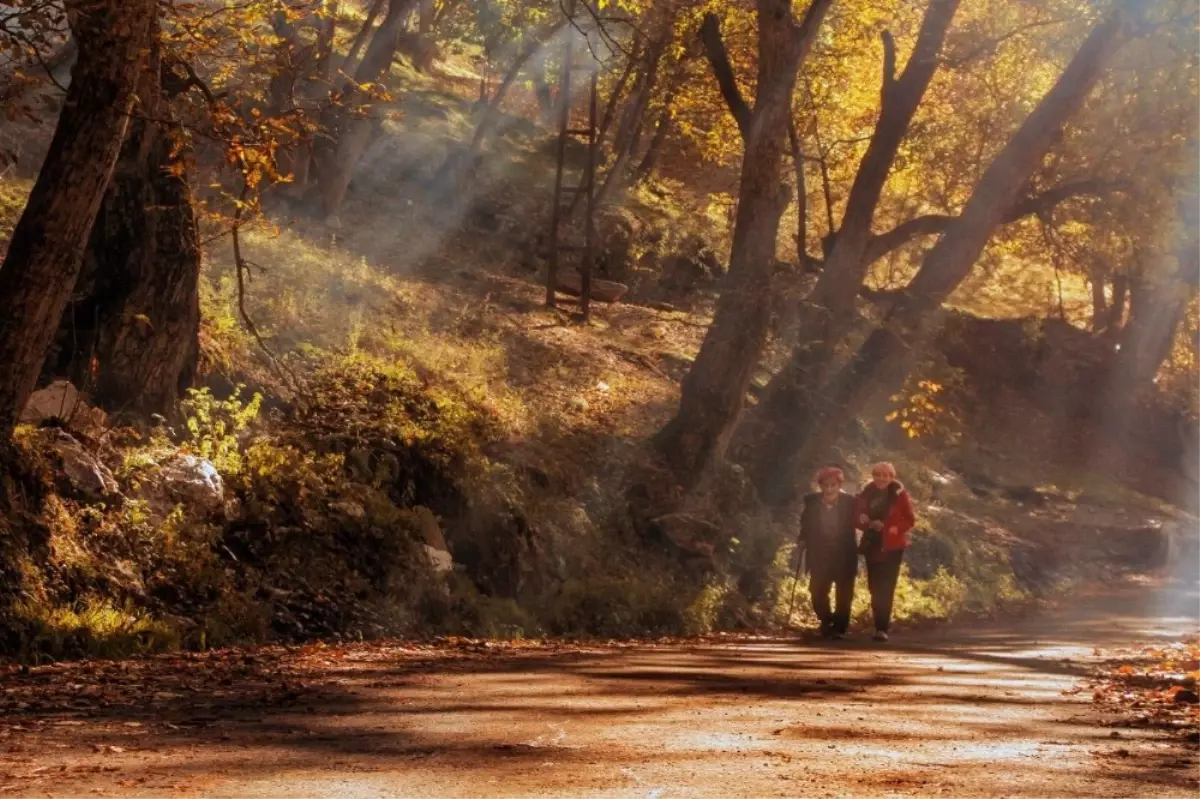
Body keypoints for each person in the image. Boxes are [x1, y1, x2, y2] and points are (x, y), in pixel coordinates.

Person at [855, 462, 916, 643]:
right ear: (873, 476)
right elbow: (857, 518)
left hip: (892, 546)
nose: (882, 478)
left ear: (892, 477)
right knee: (874, 586)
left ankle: (882, 628)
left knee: (887, 587)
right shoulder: (865, 494)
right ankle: (877, 624)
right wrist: (865, 521)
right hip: (872, 544)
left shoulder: (900, 494)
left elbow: (910, 519)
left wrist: (895, 528)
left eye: (886, 475)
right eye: (878, 474)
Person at [797, 466, 859, 640]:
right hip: (819, 552)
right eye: (826, 485)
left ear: (840, 485)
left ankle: (839, 627)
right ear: (821, 486)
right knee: (817, 590)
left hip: (844, 553)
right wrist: (802, 539)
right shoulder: (811, 501)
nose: (830, 489)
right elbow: (805, 523)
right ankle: (826, 620)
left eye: (833, 485)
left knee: (844, 592)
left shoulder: (850, 502)